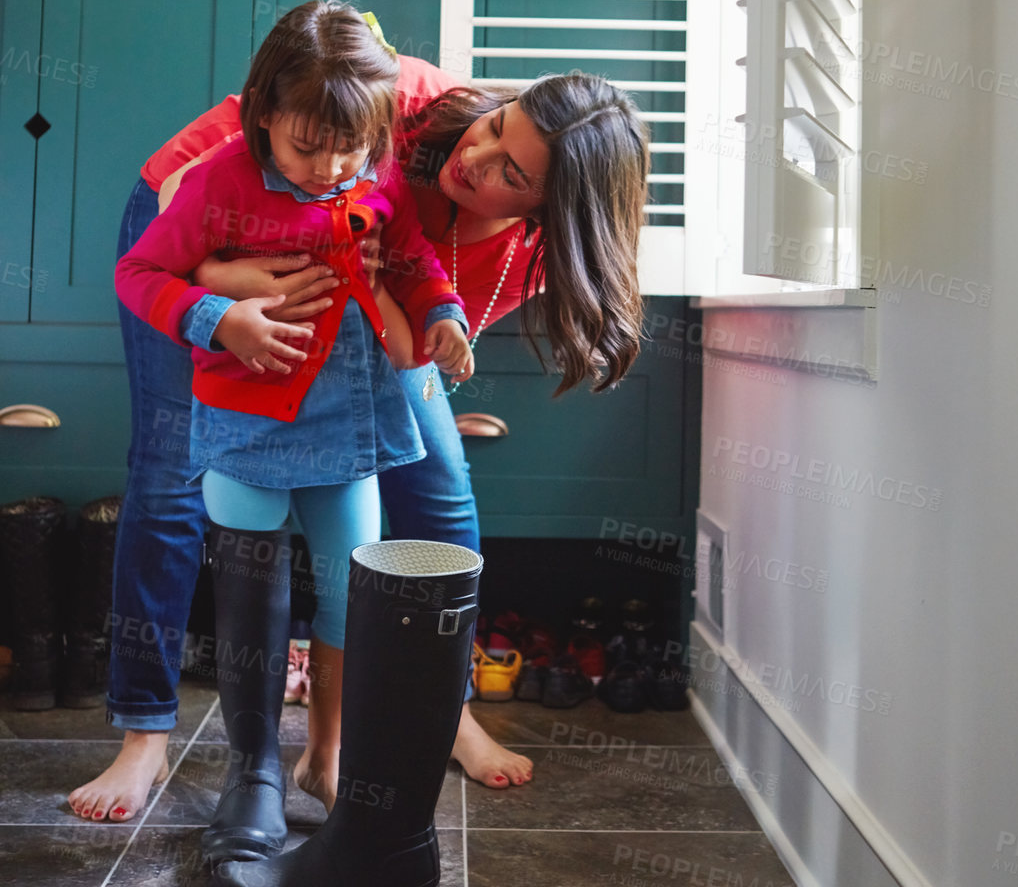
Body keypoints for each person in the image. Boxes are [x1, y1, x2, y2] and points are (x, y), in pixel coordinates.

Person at [68, 43, 648, 822]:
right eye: (495, 127)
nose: (477, 156)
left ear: (552, 209)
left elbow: (412, 342)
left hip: (369, 293)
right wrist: (224, 286)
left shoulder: (530, 258)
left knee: (439, 485)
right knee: (174, 469)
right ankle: (144, 734)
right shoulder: (401, 103)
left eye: (512, 172)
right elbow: (183, 208)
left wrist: (395, 309)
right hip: (192, 226)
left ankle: (441, 712)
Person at [110, 1, 473, 864]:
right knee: (252, 590)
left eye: (350, 147)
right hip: (246, 420)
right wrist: (216, 318)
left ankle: (326, 757)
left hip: (349, 423)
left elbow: (416, 261)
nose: (331, 166)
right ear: (263, 110)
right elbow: (141, 272)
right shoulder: (220, 181)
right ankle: (254, 772)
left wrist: (446, 312)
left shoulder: (373, 173)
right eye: (308, 145)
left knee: (354, 587)